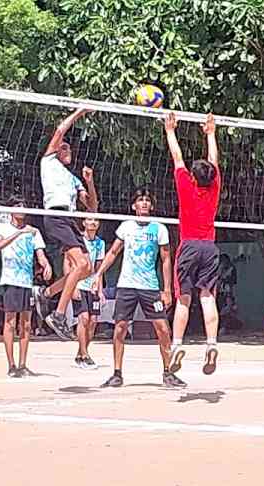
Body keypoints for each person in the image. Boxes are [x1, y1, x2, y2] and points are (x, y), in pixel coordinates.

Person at [92, 189, 185, 388]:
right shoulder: (126, 226)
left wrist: (167, 289)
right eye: (140, 201)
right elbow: (113, 252)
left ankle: (168, 372)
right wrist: (98, 274)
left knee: (162, 328)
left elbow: (166, 259)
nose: (143, 203)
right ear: (134, 206)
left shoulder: (159, 228)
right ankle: (117, 373)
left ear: (151, 206)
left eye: (147, 201)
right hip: (126, 286)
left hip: (150, 287)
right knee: (120, 328)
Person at [32, 108, 98, 340]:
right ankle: (59, 315)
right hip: (55, 216)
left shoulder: (73, 178)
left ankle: (46, 292)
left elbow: (92, 207)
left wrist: (89, 183)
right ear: (55, 150)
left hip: (70, 220)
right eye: (63, 146)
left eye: (69, 147)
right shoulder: (48, 162)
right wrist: (80, 111)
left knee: (88, 268)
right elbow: (61, 130)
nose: (66, 148)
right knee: (80, 265)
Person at [164, 112, 222, 375]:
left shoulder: (187, 186)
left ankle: (176, 346)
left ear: (194, 176)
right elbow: (214, 161)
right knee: (208, 297)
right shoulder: (214, 187)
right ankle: (212, 343)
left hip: (188, 246)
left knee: (184, 299)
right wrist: (211, 133)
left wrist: (169, 131)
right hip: (210, 247)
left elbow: (177, 158)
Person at [0, 196, 53, 378]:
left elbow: (40, 254)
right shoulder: (1, 227)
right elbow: (0, 245)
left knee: (26, 324)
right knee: (10, 321)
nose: (21, 208)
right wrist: (19, 233)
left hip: (27, 282)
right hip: (11, 280)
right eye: (17, 206)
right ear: (10, 209)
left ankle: (23, 364)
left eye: (24, 205)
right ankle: (11, 365)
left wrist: (46, 264)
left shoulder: (33, 232)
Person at [69, 217, 106, 369]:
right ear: (83, 223)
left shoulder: (100, 243)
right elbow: (70, 264)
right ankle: (84, 355)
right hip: (79, 284)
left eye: (96, 220)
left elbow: (99, 269)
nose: (93, 222)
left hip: (93, 286)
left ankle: (81, 353)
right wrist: (73, 287)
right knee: (83, 319)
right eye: (89, 220)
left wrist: (100, 290)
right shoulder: (77, 240)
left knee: (93, 322)